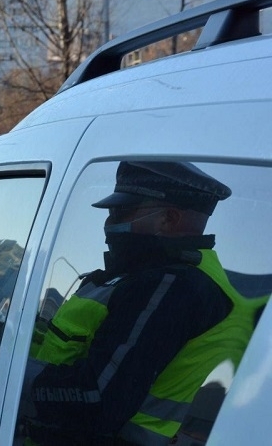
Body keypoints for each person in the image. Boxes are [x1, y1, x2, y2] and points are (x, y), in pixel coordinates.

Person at [20, 161, 267, 446]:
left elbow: (96, 397)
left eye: (120, 212)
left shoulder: (173, 286)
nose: (109, 224)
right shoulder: (154, 275)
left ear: (169, 219)